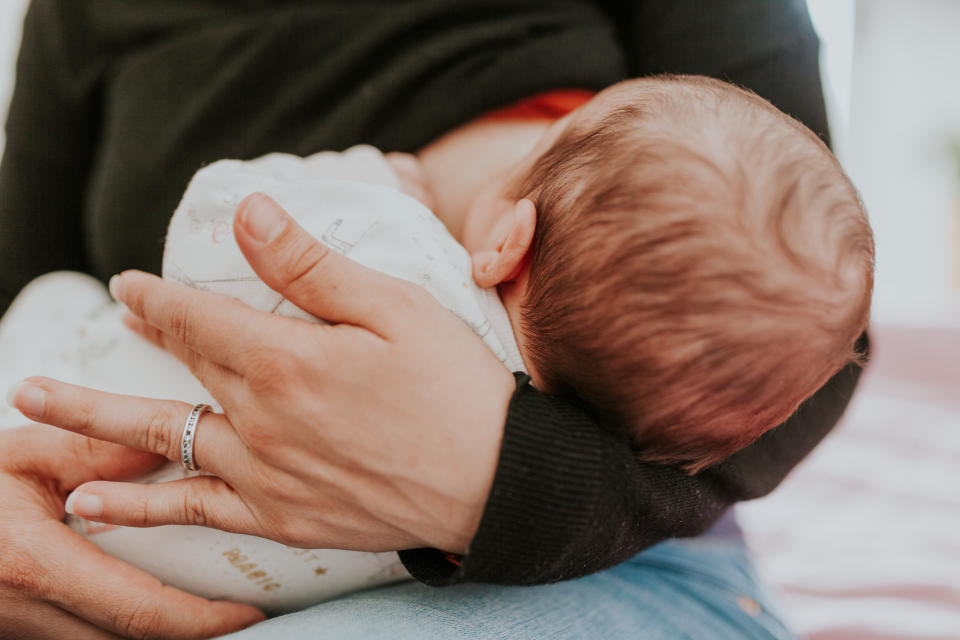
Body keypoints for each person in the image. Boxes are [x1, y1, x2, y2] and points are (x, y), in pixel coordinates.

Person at [0, 1, 868, 638]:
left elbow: (807, 336)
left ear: (503, 243)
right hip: (101, 526)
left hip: (603, 558)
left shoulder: (373, 221)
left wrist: (495, 477)